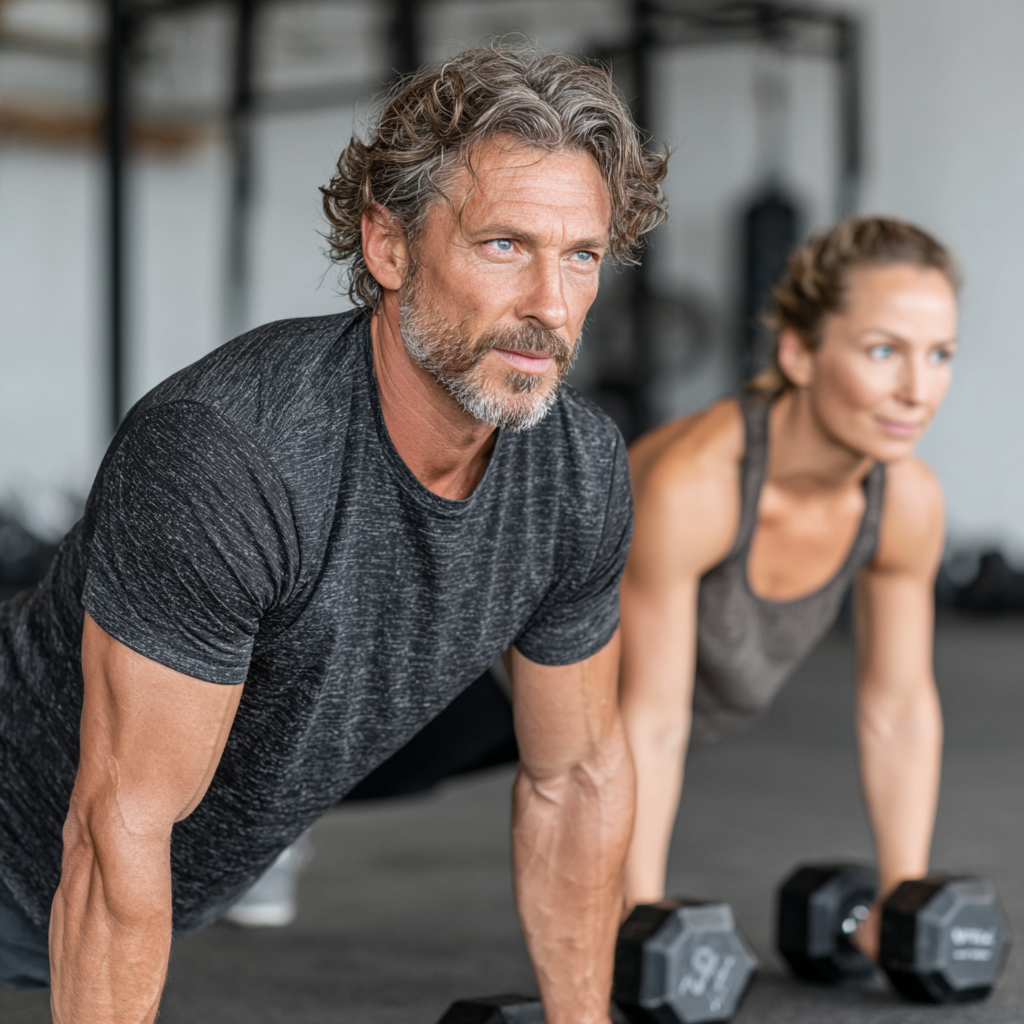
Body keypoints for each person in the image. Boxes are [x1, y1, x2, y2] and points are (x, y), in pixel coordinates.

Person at [0, 46, 669, 1023]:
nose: (549, 307)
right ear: (387, 247)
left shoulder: (576, 471)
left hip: (170, 879)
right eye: (502, 246)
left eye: (580, 256)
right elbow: (117, 833)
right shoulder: (228, 455)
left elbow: (572, 781)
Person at [620, 217, 958, 959]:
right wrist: (636, 915)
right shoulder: (697, 486)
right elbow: (647, 720)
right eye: (883, 352)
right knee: (357, 777)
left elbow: (898, 705)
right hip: (485, 677)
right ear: (799, 352)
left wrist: (903, 904)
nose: (916, 391)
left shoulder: (904, 501)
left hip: (628, 730)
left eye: (939, 356)